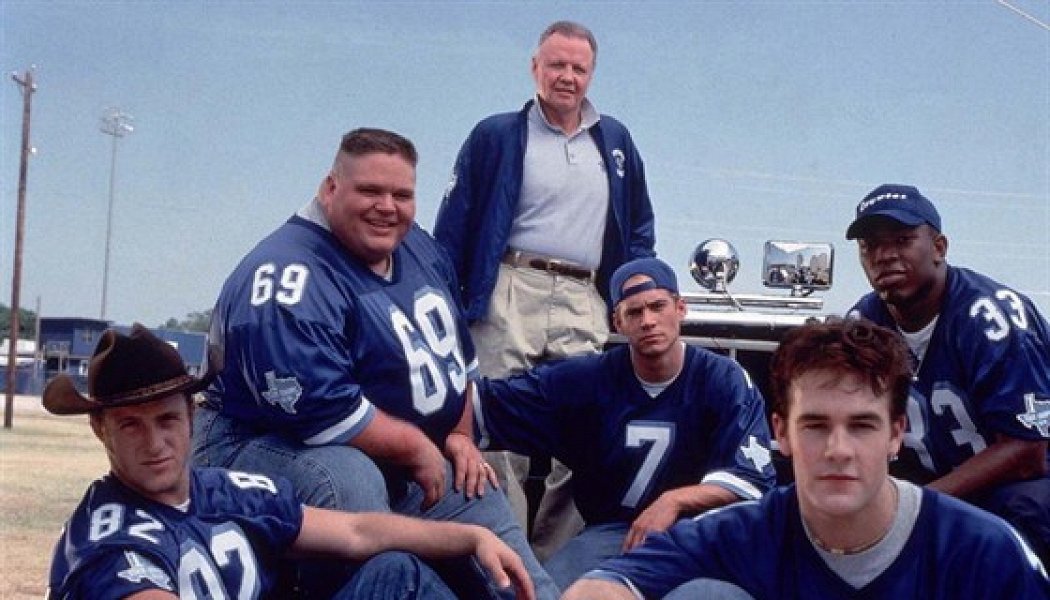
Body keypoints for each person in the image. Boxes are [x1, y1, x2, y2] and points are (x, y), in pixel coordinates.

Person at [192, 128, 556, 598]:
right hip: (260, 441)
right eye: (369, 191)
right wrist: (417, 446)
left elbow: (459, 361)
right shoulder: (286, 273)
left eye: (402, 195)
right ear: (330, 188)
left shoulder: (419, 248)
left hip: (391, 450)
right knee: (348, 479)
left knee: (476, 489)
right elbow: (322, 411)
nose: (387, 207)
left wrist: (460, 434)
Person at [563, 319, 1050, 599]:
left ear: (895, 434)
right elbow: (607, 584)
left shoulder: (982, 550)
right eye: (815, 425)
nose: (838, 450)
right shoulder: (744, 532)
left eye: (862, 425)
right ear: (781, 433)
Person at [44, 325, 535, 600]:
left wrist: (472, 536)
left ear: (191, 416)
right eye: (131, 425)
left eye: (166, 419)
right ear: (100, 429)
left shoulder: (222, 490)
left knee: (395, 572)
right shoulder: (106, 537)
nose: (155, 443)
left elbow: (357, 531)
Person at [433, 19, 656, 558]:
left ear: (592, 75)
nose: (567, 77)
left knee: (586, 427)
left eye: (579, 68)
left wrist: (627, 294)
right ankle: (502, 552)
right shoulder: (495, 135)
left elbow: (638, 226)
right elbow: (454, 225)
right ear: (535, 67)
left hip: (584, 295)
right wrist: (446, 299)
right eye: (556, 64)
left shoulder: (615, 141)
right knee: (493, 420)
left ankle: (558, 562)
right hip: (509, 285)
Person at [474, 257, 776, 589]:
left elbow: (752, 480)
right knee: (553, 592)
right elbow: (484, 404)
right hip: (613, 534)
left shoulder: (723, 378)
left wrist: (673, 501)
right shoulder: (589, 378)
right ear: (617, 323)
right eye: (634, 312)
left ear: (680, 308)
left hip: (700, 533)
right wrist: (459, 436)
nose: (648, 321)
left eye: (658, 307)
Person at [844, 183, 1050, 563]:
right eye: (870, 246)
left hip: (1020, 484)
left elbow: (1029, 451)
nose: (884, 256)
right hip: (937, 477)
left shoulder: (990, 317)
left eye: (902, 240)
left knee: (1027, 507)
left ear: (939, 248)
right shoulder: (863, 324)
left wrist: (917, 506)